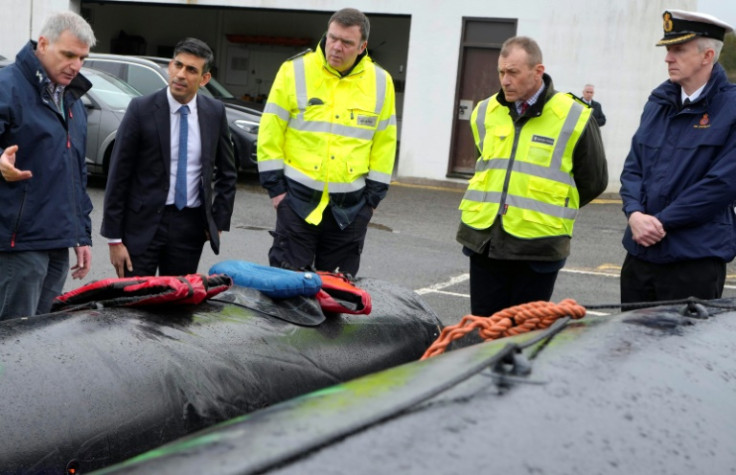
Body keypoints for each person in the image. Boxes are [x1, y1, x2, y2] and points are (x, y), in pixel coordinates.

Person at [456, 36, 608, 317]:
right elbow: (489, 166)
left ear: (538, 71)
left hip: (539, 247)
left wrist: (546, 207)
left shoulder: (574, 116)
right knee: (484, 333)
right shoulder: (485, 112)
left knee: (524, 337)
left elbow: (594, 181)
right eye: (501, 72)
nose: (505, 80)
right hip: (485, 241)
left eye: (513, 72)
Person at [257, 8, 397, 277]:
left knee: (337, 297)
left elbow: (384, 143)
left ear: (362, 46)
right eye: (332, 38)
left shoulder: (381, 82)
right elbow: (270, 132)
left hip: (351, 211)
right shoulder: (294, 70)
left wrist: (371, 202)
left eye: (346, 43)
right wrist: (276, 191)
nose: (336, 47)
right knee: (288, 291)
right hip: (296, 203)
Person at [619, 10, 736, 305]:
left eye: (678, 49)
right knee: (628, 347)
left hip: (693, 260)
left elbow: (721, 185)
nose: (668, 58)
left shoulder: (731, 108)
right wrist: (634, 213)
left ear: (707, 55)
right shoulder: (658, 103)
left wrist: (659, 223)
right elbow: (633, 168)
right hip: (640, 256)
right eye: (668, 49)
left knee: (682, 349)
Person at [101, 37, 237, 277]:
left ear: (205, 78)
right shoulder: (141, 109)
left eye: (191, 70)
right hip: (141, 225)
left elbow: (228, 173)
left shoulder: (214, 113)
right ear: (169, 66)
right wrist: (114, 239)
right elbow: (118, 175)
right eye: (178, 65)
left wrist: (218, 222)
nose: (181, 74)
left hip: (190, 229)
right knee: (135, 305)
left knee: (176, 309)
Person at [0, 11, 96, 320]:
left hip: (58, 243)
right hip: (18, 243)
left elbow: (76, 174)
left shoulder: (72, 101)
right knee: (12, 340)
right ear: (43, 44)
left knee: (40, 340)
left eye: (82, 58)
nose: (76, 65)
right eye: (68, 54)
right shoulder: (7, 86)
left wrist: (81, 235)